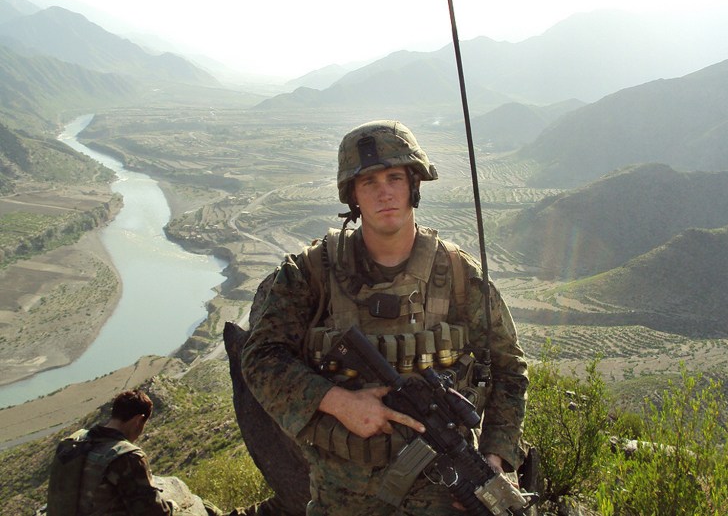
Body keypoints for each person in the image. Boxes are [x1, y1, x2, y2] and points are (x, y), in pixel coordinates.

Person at [241, 120, 529, 515]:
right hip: (343, 500)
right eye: (369, 182)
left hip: (446, 500)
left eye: (395, 177)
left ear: (415, 185)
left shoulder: (460, 275)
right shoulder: (311, 273)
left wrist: (495, 458)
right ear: (353, 196)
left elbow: (510, 371)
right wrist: (338, 401)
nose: (384, 192)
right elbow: (260, 358)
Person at [47, 389, 177, 516]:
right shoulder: (128, 457)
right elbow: (152, 512)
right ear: (138, 420)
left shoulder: (74, 442)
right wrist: (170, 508)